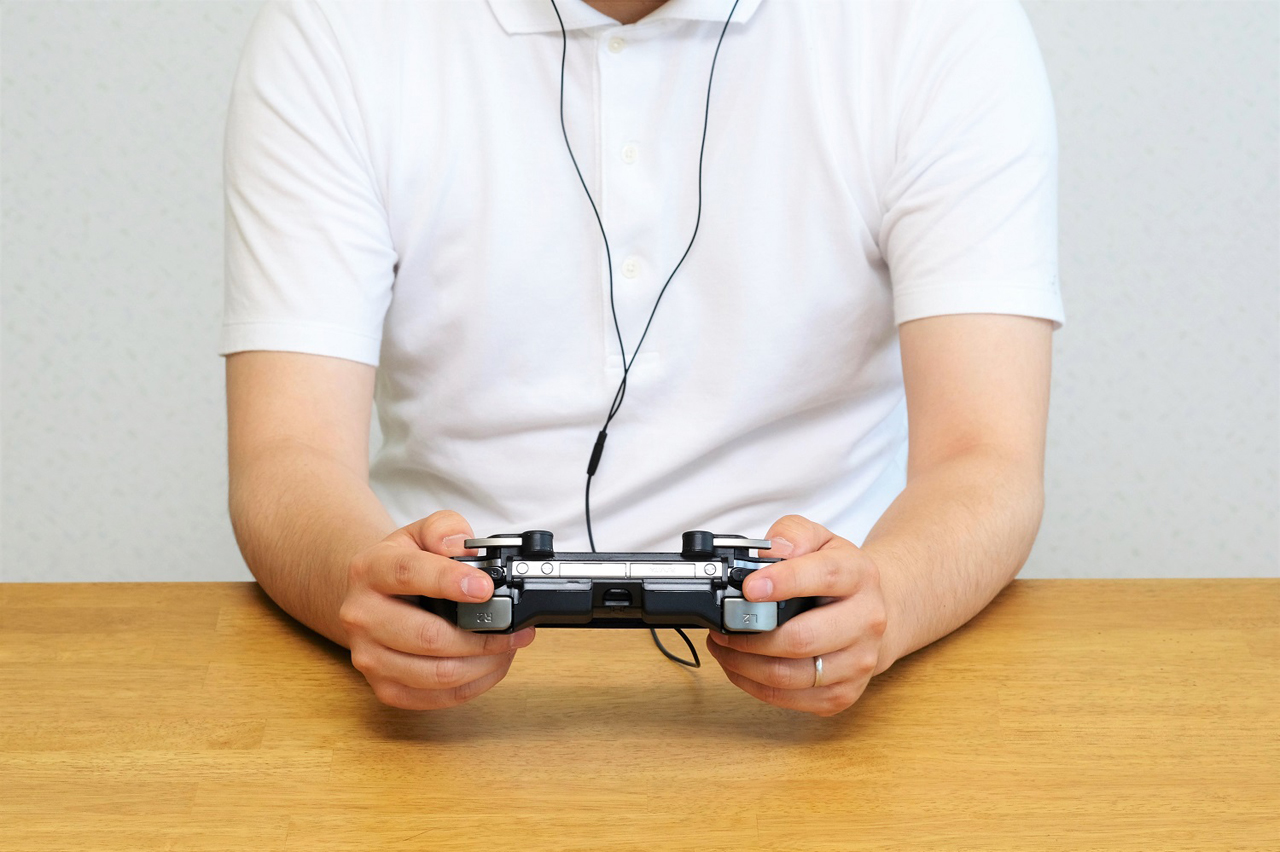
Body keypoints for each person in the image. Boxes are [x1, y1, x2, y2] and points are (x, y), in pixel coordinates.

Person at [222, 0, 1063, 716]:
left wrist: (888, 601)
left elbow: (985, 459)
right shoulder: (336, 27)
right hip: (432, 673)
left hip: (836, 669)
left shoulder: (939, 24)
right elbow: (285, 458)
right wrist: (368, 592)